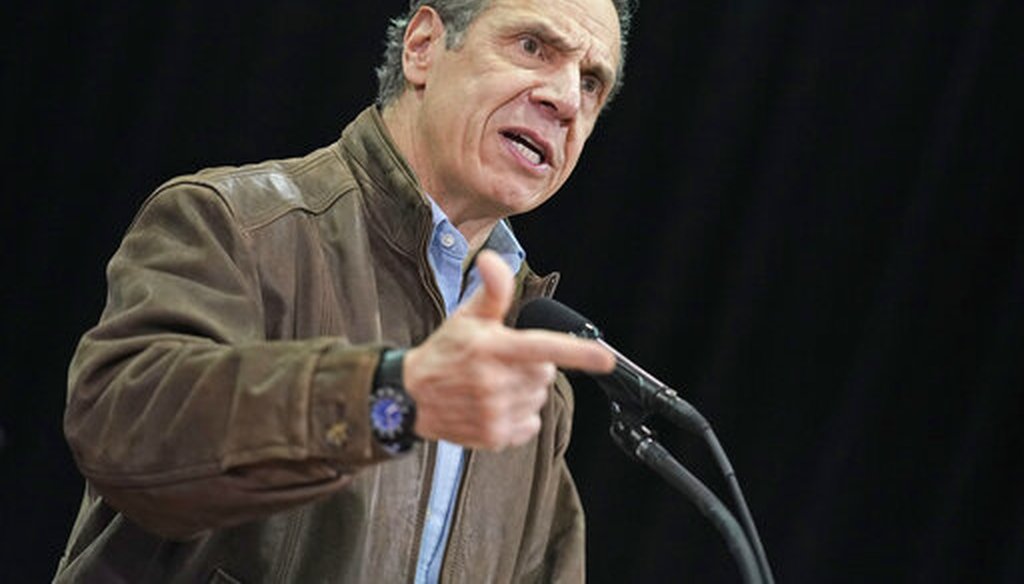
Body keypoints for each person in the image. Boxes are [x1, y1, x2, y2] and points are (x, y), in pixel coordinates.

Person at [55, 0, 634, 581]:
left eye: (590, 83)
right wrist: (391, 400)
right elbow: (125, 435)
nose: (563, 99)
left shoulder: (527, 379)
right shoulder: (237, 227)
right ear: (424, 47)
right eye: (533, 47)